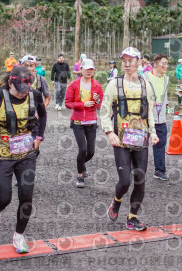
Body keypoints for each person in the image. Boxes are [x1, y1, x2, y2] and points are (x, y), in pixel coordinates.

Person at [0, 66, 47, 253]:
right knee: (4, 196)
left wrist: (39, 137)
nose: (23, 93)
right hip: (1, 154)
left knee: (26, 195)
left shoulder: (34, 95)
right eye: (20, 90)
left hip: (26, 153)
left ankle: (19, 236)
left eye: (26, 89)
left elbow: (43, 115)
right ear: (10, 83)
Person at [101, 47, 159, 231]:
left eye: (131, 60)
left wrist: (153, 132)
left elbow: (150, 112)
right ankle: (117, 200)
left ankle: (132, 218)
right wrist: (109, 132)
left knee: (140, 179)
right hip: (121, 139)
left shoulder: (145, 84)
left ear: (139, 62)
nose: (127, 64)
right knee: (125, 181)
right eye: (124, 60)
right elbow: (104, 111)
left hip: (141, 139)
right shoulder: (114, 84)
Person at [65, 58, 103, 188]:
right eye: (86, 69)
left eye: (91, 69)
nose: (89, 71)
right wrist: (82, 104)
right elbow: (67, 103)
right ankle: (80, 175)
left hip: (92, 121)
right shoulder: (73, 85)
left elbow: (100, 106)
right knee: (82, 149)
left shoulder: (97, 85)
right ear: (81, 70)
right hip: (78, 121)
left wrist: (97, 101)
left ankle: (80, 163)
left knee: (91, 152)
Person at [144, 54, 171, 181]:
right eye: (163, 63)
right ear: (155, 64)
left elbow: (164, 96)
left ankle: (159, 170)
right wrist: (147, 101)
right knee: (140, 144)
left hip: (161, 118)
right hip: (146, 117)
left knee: (160, 144)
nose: (166, 66)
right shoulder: (145, 77)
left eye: (167, 64)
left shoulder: (166, 78)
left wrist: (166, 106)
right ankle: (135, 167)